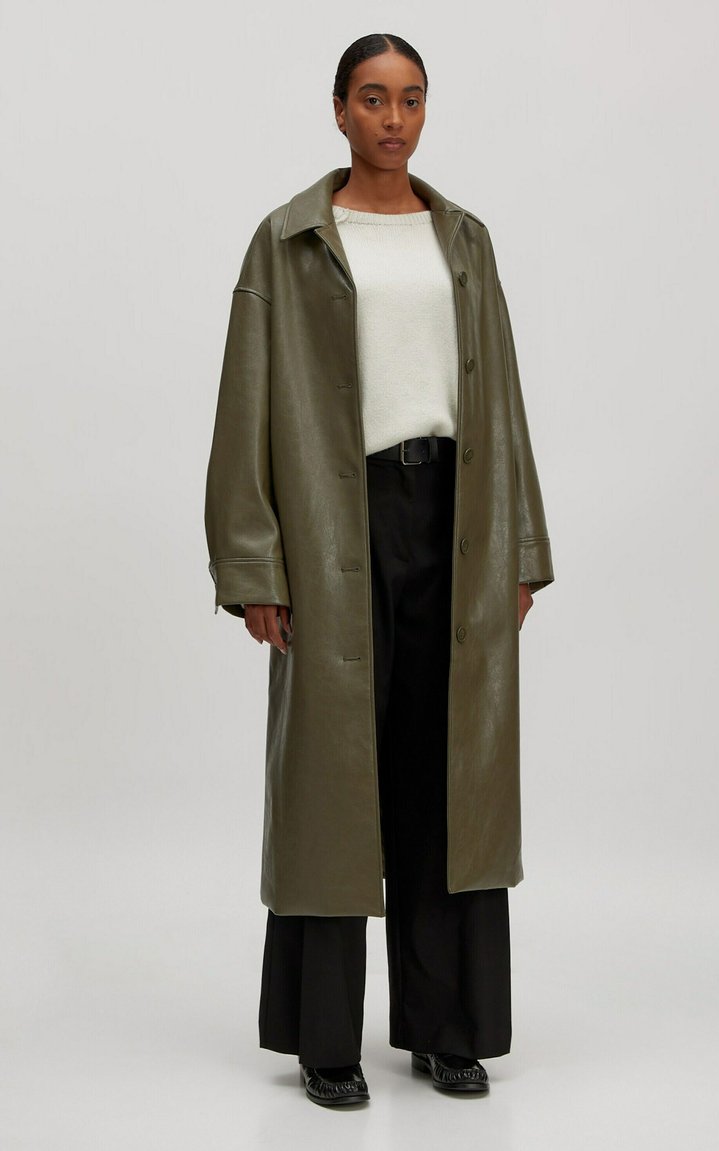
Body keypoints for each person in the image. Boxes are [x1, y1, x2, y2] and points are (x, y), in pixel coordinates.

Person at [204, 32, 554, 1107]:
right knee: (332, 780)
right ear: (339, 110)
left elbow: (499, 392)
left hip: (455, 516)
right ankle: (325, 1039)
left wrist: (521, 549)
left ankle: (447, 1027)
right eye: (372, 98)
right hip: (333, 523)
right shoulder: (288, 241)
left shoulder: (464, 239)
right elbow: (245, 401)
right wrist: (255, 562)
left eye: (410, 99)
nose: (393, 119)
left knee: (445, 773)